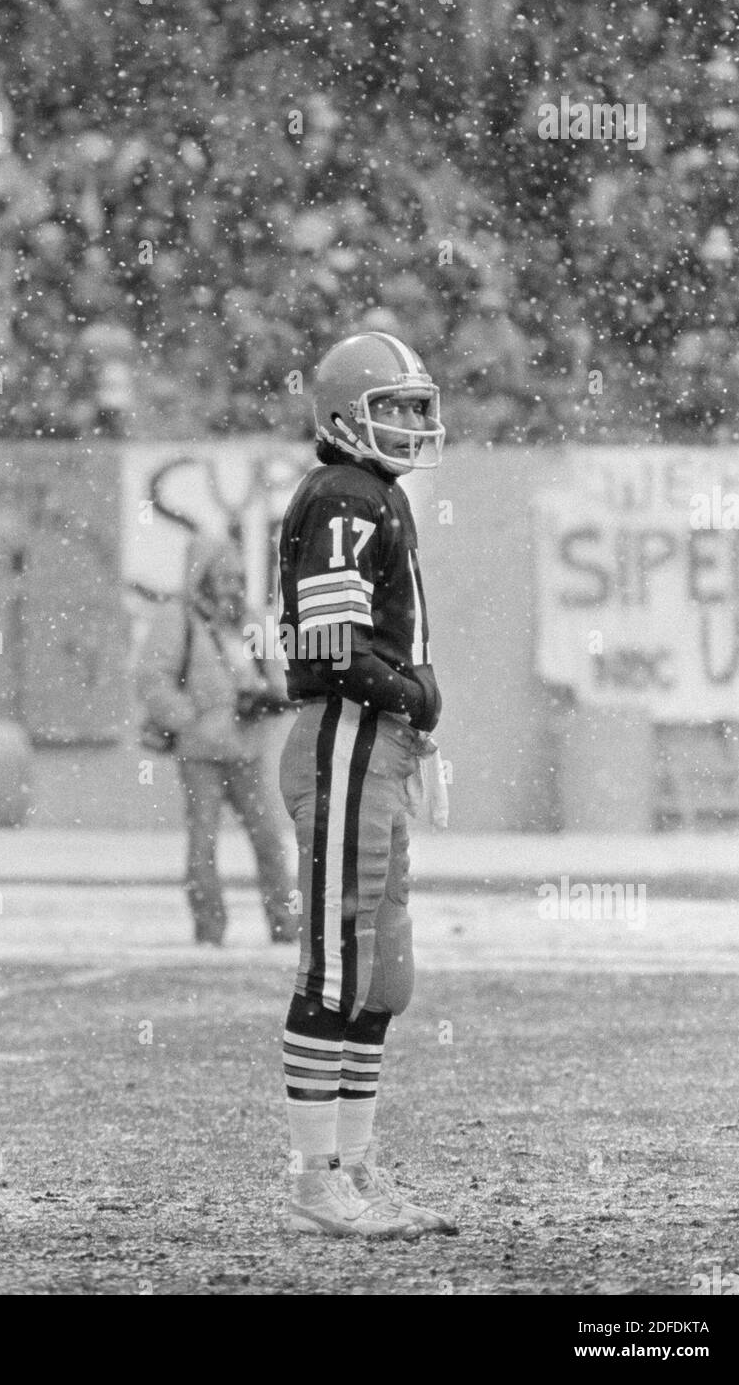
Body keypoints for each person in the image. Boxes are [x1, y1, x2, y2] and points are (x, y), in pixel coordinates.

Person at [276, 332, 456, 1236]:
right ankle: (316, 1179)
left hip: (372, 743)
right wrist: (413, 694)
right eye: (393, 407)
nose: (411, 424)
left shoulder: (370, 493)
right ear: (345, 413)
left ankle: (354, 1166)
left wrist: (408, 708)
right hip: (345, 735)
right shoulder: (344, 494)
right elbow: (327, 646)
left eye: (416, 407)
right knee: (339, 962)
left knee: (381, 974)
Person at [136, 532, 297, 945]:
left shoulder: (250, 621)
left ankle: (285, 923)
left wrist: (271, 699)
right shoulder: (178, 619)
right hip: (201, 751)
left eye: (237, 577)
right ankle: (209, 927)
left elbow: (276, 673)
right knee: (203, 842)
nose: (232, 586)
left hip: (247, 745)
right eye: (222, 576)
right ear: (202, 578)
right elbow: (153, 679)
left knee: (269, 840)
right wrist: (189, 719)